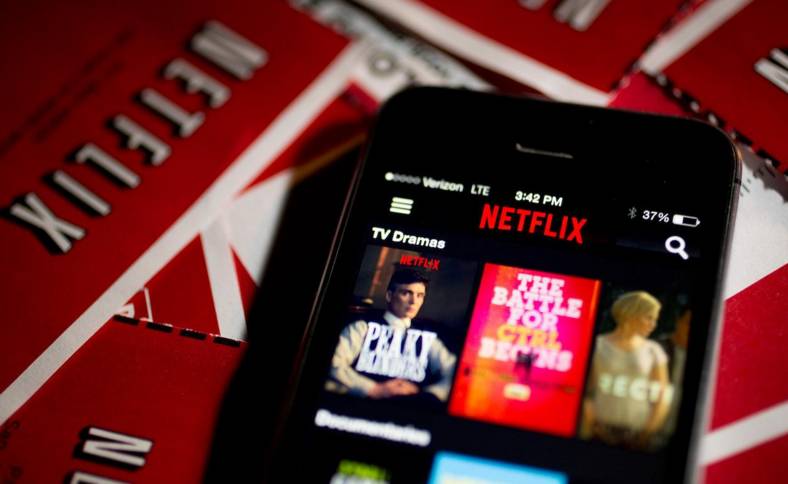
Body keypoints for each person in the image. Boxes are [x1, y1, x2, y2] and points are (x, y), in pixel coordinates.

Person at [326, 267, 456, 402]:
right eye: (406, 293)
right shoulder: (362, 328)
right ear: (389, 296)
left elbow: (454, 370)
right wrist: (373, 388)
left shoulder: (427, 339)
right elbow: (334, 362)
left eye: (420, 295)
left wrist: (427, 395)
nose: (414, 301)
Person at [582, 291, 672, 449]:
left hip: (639, 438)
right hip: (599, 433)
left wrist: (646, 433)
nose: (653, 325)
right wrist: (593, 425)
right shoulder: (597, 345)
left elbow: (662, 397)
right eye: (649, 317)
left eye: (655, 319)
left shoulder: (654, 350)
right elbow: (585, 391)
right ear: (631, 314)